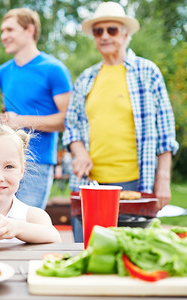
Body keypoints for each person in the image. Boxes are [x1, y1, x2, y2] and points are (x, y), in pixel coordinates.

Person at [62, 2, 179, 242]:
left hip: (136, 182)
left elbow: (166, 131)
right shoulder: (86, 78)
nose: (104, 36)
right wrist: (80, 152)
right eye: (98, 31)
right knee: (88, 253)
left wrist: (164, 179)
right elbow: (71, 125)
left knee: (132, 253)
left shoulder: (148, 72)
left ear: (126, 34)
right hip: (91, 184)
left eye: (112, 30)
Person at [0, 8, 72, 210]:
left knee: (25, 229)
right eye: (2, 31)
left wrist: (20, 121)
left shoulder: (54, 69)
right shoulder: (2, 72)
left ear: (29, 30)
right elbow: (9, 112)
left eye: (9, 30)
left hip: (37, 164)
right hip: (3, 162)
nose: (3, 36)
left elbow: (67, 120)